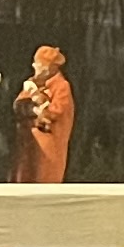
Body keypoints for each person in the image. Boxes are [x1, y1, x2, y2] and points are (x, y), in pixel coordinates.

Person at [11, 42, 75, 186]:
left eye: (37, 63)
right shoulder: (34, 83)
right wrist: (34, 110)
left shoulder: (61, 87)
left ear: (48, 68)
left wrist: (37, 103)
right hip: (28, 144)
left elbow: (53, 114)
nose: (34, 67)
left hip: (47, 148)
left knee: (44, 181)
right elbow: (18, 106)